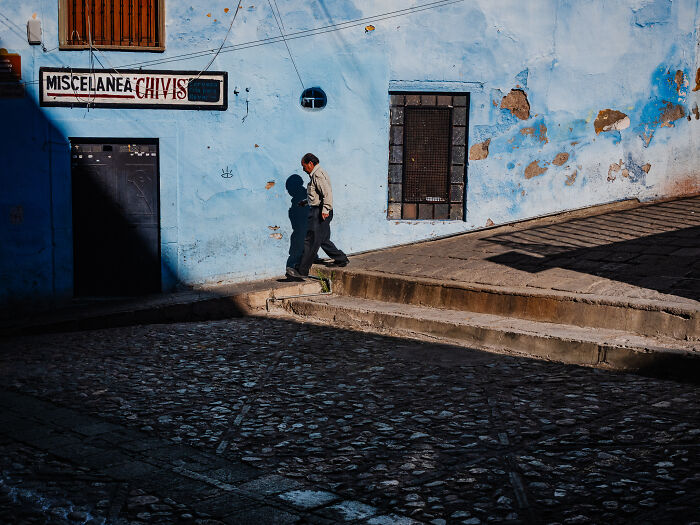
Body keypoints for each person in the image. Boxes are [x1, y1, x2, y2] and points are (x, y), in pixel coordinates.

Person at [286, 153, 349, 280]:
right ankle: (341, 259)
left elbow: (327, 194)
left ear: (310, 163)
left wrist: (325, 209)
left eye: (304, 166)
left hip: (319, 212)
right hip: (320, 209)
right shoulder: (316, 174)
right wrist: (306, 202)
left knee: (310, 240)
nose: (303, 169)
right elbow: (317, 195)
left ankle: (301, 270)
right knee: (323, 239)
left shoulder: (318, 175)